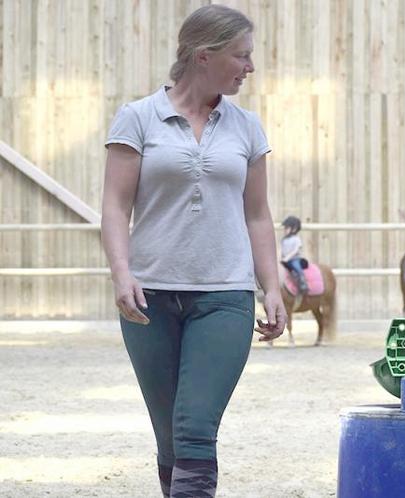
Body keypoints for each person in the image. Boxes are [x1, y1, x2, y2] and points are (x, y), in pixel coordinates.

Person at [100, 5, 286, 497]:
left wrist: (273, 285)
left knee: (196, 424)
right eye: (241, 55)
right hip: (149, 298)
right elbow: (116, 208)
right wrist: (122, 274)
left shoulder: (247, 127)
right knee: (170, 438)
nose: (250, 67)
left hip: (224, 295)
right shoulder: (138, 118)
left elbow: (258, 215)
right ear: (204, 56)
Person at [280, 215, 308, 293]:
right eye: (284, 228)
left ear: (294, 229)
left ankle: (303, 282)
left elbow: (296, 250)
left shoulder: (296, 239)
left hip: (294, 259)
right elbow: (283, 251)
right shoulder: (284, 240)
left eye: (287, 228)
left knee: (297, 267)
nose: (285, 230)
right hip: (285, 260)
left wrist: (287, 258)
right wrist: (282, 258)